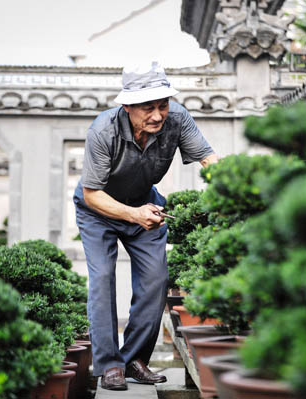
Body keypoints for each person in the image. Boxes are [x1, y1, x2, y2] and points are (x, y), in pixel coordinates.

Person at [73, 61, 218, 391]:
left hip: (144, 205)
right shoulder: (102, 131)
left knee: (157, 279)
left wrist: (235, 189)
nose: (157, 115)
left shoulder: (177, 118)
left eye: (162, 105)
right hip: (99, 211)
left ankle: (134, 359)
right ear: (127, 106)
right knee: (102, 279)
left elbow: (208, 159)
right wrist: (133, 214)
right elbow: (91, 194)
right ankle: (109, 366)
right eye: (148, 107)